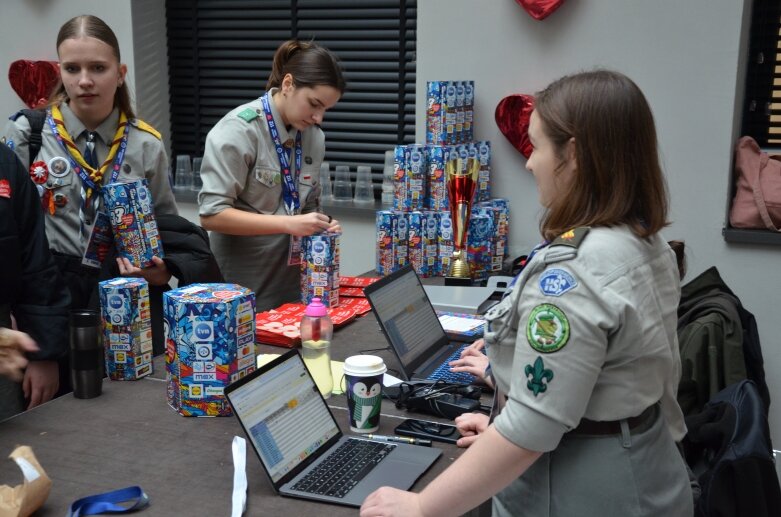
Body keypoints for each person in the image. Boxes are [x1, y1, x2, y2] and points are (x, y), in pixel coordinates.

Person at [360, 70, 693, 517]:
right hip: (640, 465)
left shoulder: (572, 275)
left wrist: (421, 507)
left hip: (583, 489)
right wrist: (503, 426)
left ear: (573, 153)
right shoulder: (644, 242)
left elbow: (535, 428)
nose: (530, 162)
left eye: (536, 147)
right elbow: (610, 374)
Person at [1, 14, 178, 312]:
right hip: (46, 288)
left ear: (120, 73)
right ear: (61, 72)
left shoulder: (146, 143)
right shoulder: (27, 133)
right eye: (72, 68)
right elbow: (8, 224)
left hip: (121, 284)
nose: (84, 81)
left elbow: (169, 227)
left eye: (98, 68)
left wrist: (164, 269)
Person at [198, 39, 344, 311]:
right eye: (314, 104)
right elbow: (211, 215)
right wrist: (289, 224)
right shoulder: (239, 130)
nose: (318, 117)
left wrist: (324, 224)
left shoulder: (314, 138)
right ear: (288, 84)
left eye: (325, 109)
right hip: (241, 294)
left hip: (294, 291)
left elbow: (308, 207)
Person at [0, 142, 69, 420]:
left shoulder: (5, 163)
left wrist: (44, 352)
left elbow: (35, 264)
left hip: (5, 345)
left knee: (13, 448)